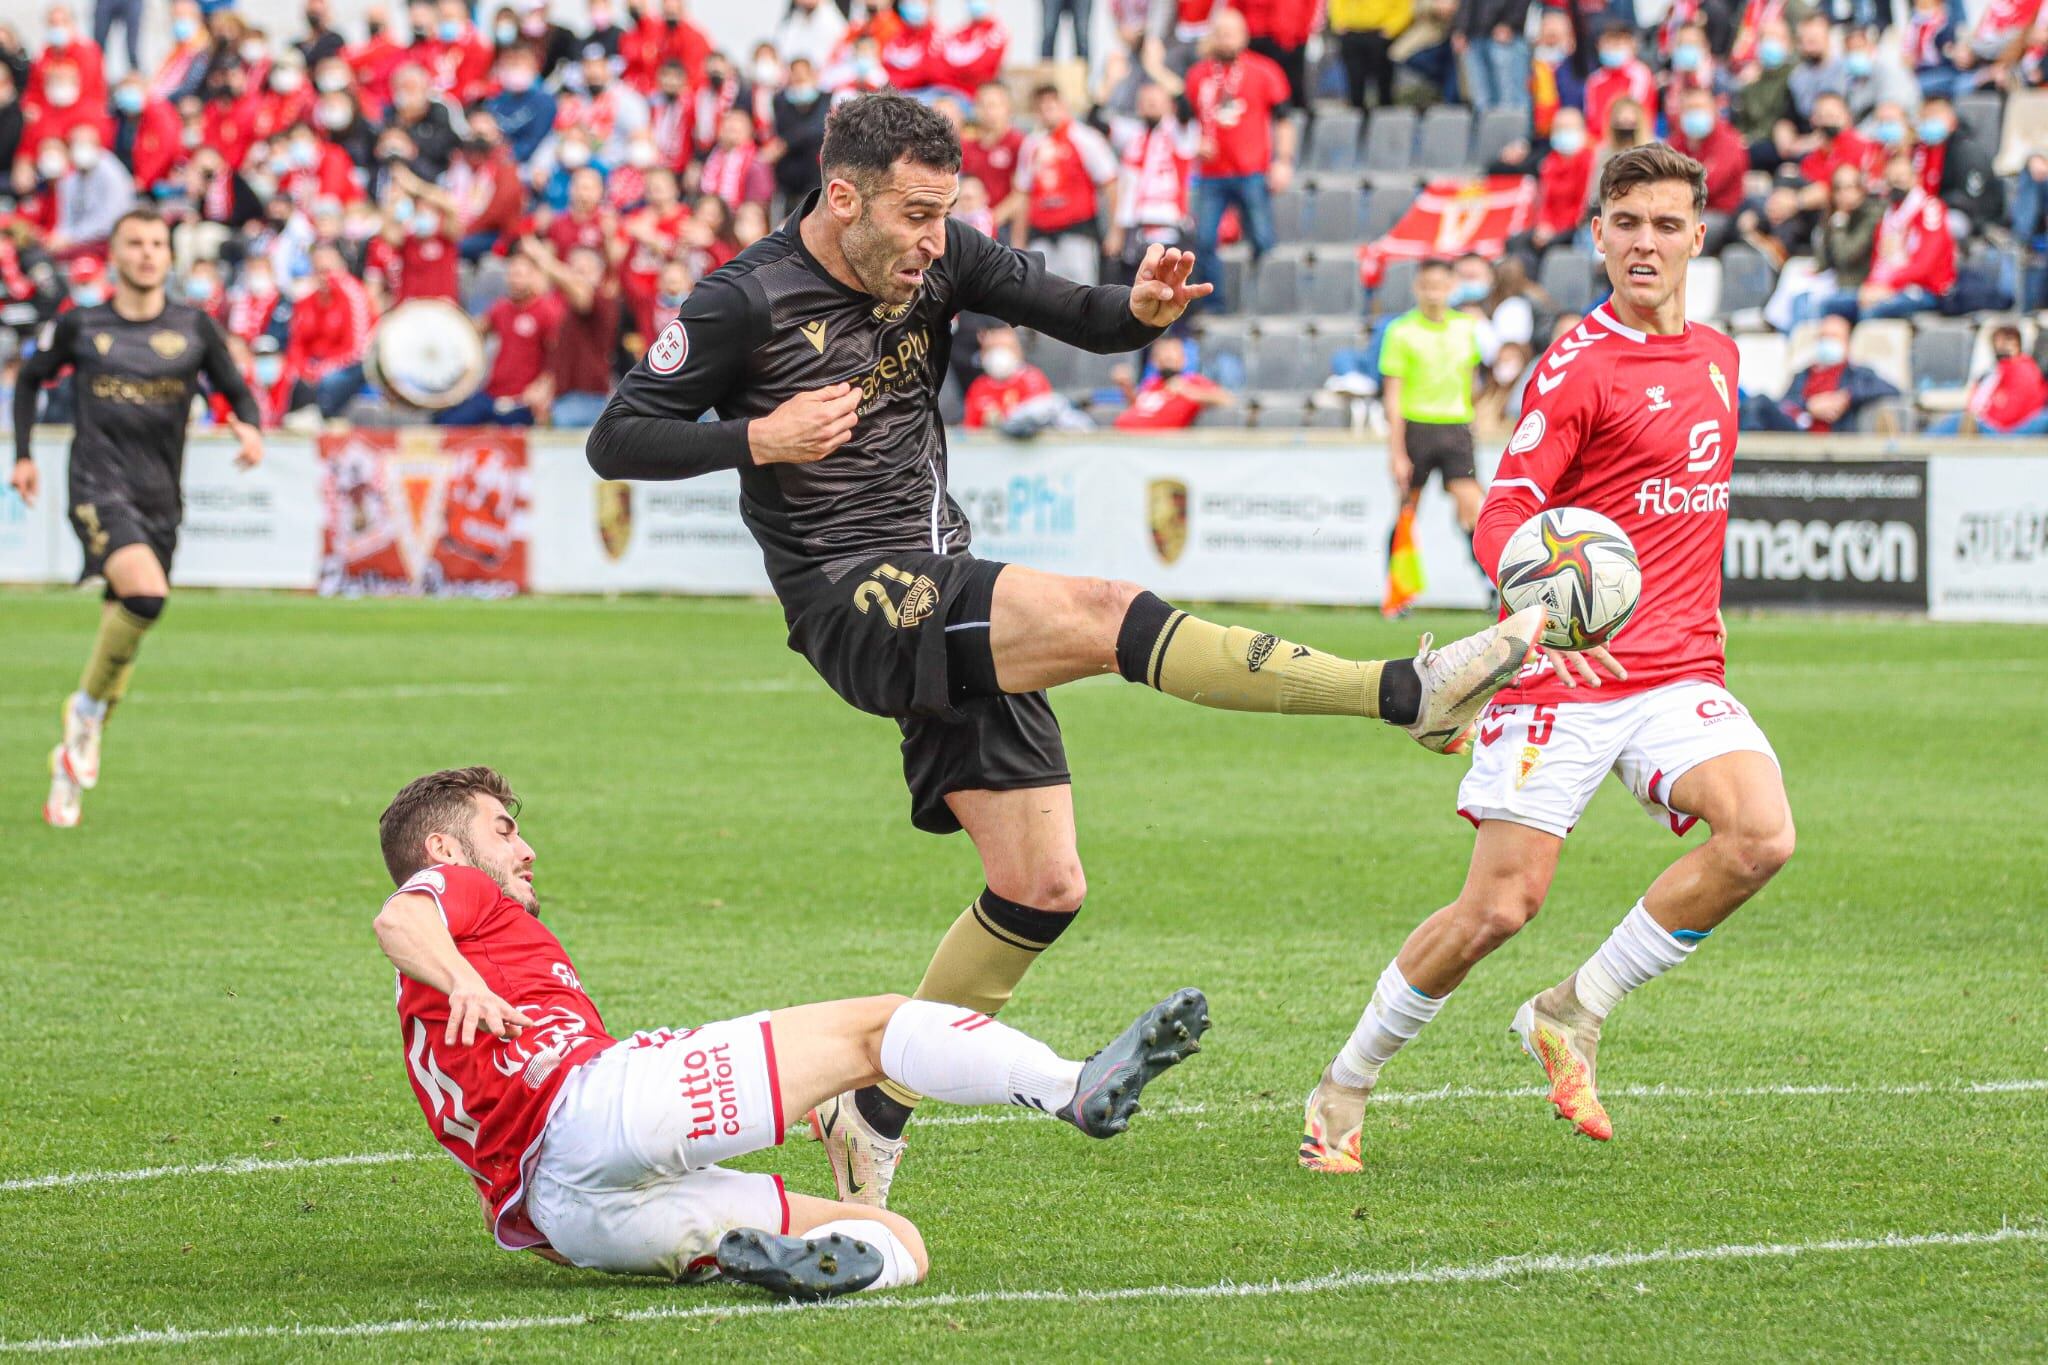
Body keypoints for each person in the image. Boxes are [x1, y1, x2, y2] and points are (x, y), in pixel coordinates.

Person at [587, 94, 1542, 1208]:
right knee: (1100, 609)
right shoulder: (742, 299)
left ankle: (872, 1106)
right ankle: (1401, 693)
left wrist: (1137, 311)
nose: (932, 241)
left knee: (1040, 886)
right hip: (849, 597)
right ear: (840, 199)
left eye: (945, 213)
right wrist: (754, 436)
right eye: (911, 214)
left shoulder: (939, 259)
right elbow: (617, 435)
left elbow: (1077, 310)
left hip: (941, 581)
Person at [1303, 144, 1794, 1170]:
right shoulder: (1576, 364)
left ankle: (1571, 1011)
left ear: (1697, 237)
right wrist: (1532, 617)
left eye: (1665, 225)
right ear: (1597, 236)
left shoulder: (1716, 354)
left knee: (1758, 838)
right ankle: (1343, 1085)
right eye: (1626, 224)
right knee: (1497, 909)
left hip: (1677, 671)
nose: (1644, 243)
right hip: (1563, 679)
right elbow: (1509, 508)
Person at [375, 765, 1209, 1295]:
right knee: (879, 1030)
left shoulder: (442, 1012)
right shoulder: (454, 895)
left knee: (895, 1238)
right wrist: (461, 976)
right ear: (446, 848)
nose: (527, 849)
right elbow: (398, 921)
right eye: (505, 828)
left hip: (569, 1221)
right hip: (596, 1109)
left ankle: (815, 1272)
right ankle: (1074, 1087)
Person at [9, 206, 263, 828]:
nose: (148, 253)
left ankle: (73, 753)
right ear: (116, 255)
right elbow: (27, 381)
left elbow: (238, 389)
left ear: (169, 257)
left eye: (157, 244)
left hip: (160, 501)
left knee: (120, 640)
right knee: (146, 595)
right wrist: (22, 455)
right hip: (96, 486)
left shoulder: (195, 328)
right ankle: (87, 716)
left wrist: (250, 429)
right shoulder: (82, 324)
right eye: (135, 244)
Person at [1184, 9, 1295, 313]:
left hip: (1252, 170)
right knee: (1204, 240)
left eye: (1231, 32)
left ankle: (1264, 301)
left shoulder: (1265, 71)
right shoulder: (1198, 75)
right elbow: (1182, 123)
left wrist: (1283, 160)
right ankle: (1216, 305)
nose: (1225, 39)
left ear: (1244, 36)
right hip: (1211, 173)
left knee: (1262, 239)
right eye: (1220, 32)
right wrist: (1195, 142)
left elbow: (1284, 119)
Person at [1381, 259, 1486, 570]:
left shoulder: (1466, 328)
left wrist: (1474, 422)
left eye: (1439, 286)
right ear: (1416, 288)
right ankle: (1398, 590)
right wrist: (1397, 451)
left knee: (1473, 507)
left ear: (1451, 287)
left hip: (1455, 427)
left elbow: (1471, 381)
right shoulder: (1401, 331)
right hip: (1417, 428)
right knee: (1407, 510)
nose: (1433, 294)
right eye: (1426, 286)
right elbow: (1393, 395)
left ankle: (1489, 583)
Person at [1018, 85, 1118, 287]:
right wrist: (1019, 239)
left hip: (1077, 231)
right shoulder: (1031, 144)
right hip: (1041, 233)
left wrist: (1115, 232)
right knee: (1041, 298)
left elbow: (1110, 184)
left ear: (1064, 106)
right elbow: (1023, 193)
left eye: (1052, 105)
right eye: (1041, 107)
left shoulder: (1085, 138)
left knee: (1080, 295)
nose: (1047, 112)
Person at [1738, 312, 1899, 432]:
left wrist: (1845, 397)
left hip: (1838, 437)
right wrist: (1810, 406)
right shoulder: (1803, 375)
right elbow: (1785, 404)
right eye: (1823, 337)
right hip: (1799, 435)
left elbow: (1893, 390)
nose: (1827, 342)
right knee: (1757, 404)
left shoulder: (1857, 374)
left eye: (1834, 337)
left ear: (1847, 343)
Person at [1927, 324, 2048, 435]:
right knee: (1958, 419)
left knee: (1958, 420)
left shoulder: (2024, 369)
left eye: (2008, 340)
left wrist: (1982, 418)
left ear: (2018, 344)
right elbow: (1975, 403)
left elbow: (2010, 416)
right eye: (1998, 341)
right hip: (1988, 425)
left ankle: (1919, 451)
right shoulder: (1994, 373)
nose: (2002, 345)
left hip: (2008, 431)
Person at [1111, 331, 1231, 428]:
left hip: (1154, 444)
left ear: (1183, 359)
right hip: (1124, 436)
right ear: (1155, 360)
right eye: (1162, 353)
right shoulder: (1152, 383)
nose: (1167, 356)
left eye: (1172, 351)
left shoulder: (1193, 381)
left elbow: (1225, 399)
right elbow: (1141, 408)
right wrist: (1127, 388)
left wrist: (1186, 390)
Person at [961, 324, 1053, 428]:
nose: (998, 355)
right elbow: (970, 428)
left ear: (1018, 351)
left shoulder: (1033, 380)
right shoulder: (979, 387)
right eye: (992, 348)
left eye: (1005, 347)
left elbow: (1042, 417)